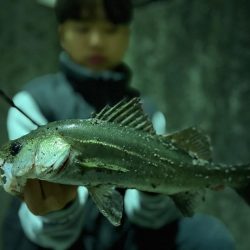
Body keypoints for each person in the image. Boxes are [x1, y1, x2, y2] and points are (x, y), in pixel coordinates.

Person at [3, 0, 236, 249]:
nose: (96, 41)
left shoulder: (148, 112)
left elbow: (149, 218)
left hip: (124, 237)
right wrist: (59, 212)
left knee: (208, 237)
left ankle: (235, 177)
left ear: (128, 35)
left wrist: (156, 187)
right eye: (82, 29)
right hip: (55, 239)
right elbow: (44, 231)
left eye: (111, 30)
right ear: (62, 34)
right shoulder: (33, 101)